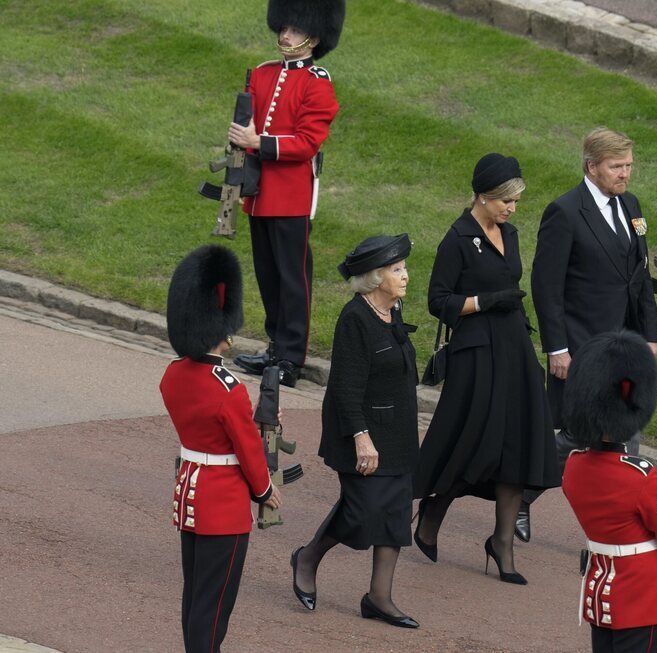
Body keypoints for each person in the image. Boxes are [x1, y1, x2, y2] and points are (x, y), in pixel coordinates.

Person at [413, 154, 560, 584]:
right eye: (505, 201)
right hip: (476, 353)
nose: (512, 209)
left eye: (515, 201)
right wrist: (482, 303)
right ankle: (433, 511)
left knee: (518, 442)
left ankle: (502, 543)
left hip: (514, 347)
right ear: (482, 195)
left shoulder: (509, 234)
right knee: (474, 441)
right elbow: (437, 301)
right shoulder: (456, 239)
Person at [520, 127, 657, 541]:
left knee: (627, 432)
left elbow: (639, 277)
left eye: (629, 166)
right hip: (582, 347)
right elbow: (546, 287)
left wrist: (649, 334)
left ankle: (622, 523)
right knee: (577, 436)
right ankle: (521, 497)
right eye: (616, 167)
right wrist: (558, 349)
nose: (625, 175)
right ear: (591, 167)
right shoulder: (564, 212)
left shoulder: (631, 206)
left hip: (626, 349)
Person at [291, 234, 420, 628]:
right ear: (375, 277)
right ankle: (309, 556)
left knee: (396, 511)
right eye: (396, 270)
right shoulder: (355, 318)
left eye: (403, 268)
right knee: (362, 510)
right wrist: (361, 438)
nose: (405, 276)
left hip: (398, 430)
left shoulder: (392, 309)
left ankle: (379, 597)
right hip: (361, 432)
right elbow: (345, 387)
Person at [160, 245, 283, 653]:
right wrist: (264, 491)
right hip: (223, 506)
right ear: (222, 328)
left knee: (195, 597)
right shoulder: (228, 390)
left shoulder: (173, 375)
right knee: (214, 609)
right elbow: (248, 450)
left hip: (189, 495)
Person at [231, 0, 345, 387]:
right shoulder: (263, 74)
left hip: (292, 196)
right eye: (284, 28)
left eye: (294, 30)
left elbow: (307, 142)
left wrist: (258, 141)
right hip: (258, 193)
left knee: (293, 279)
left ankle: (291, 358)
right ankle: (275, 348)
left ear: (314, 37)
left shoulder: (318, 82)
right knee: (268, 275)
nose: (285, 35)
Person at [562, 331, 657, 653]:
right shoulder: (640, 475)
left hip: (599, 589)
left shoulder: (575, 467)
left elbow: (620, 510)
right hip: (639, 596)